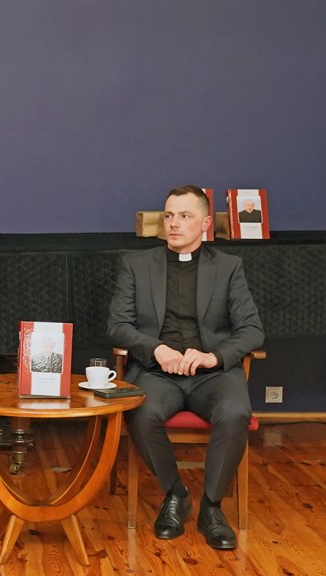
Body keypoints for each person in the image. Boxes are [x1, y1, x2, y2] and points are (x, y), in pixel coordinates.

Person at [108, 185, 264, 550]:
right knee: (140, 413)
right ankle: (175, 494)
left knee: (235, 411)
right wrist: (156, 349)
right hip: (157, 372)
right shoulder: (136, 265)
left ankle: (212, 506)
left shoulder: (228, 267)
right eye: (168, 216)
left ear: (206, 224)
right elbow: (118, 326)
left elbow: (252, 330)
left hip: (213, 375)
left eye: (184, 216)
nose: (173, 224)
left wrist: (215, 357)